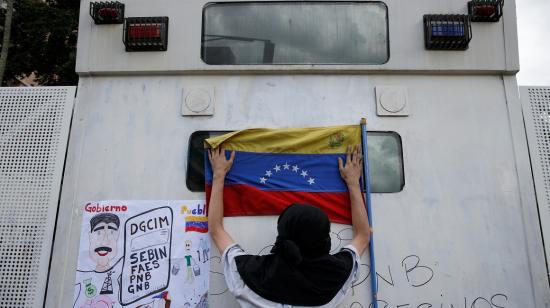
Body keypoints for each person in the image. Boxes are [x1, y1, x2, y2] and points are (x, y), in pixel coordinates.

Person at [207, 145, 371, 307]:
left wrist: (219, 175)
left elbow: (216, 230)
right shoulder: (337, 275)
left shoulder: (247, 274)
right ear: (323, 240)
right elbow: (363, 234)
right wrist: (353, 183)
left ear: (282, 233)